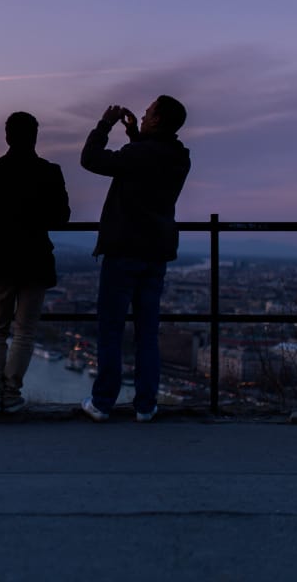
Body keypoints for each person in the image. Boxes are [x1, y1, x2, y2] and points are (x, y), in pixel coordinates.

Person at [79, 96, 190, 423]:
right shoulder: (180, 158)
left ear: (156, 120)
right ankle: (145, 404)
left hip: (124, 249)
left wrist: (106, 124)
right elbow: (150, 158)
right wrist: (134, 134)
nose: (142, 114)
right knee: (147, 332)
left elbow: (91, 159)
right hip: (156, 253)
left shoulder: (139, 154)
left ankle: (102, 402)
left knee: (111, 329)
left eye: (148, 112)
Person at [0, 111, 71, 413]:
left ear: (7, 136)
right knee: (25, 330)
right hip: (35, 258)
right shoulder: (51, 172)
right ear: (35, 136)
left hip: (1, 256)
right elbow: (62, 217)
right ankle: (11, 392)